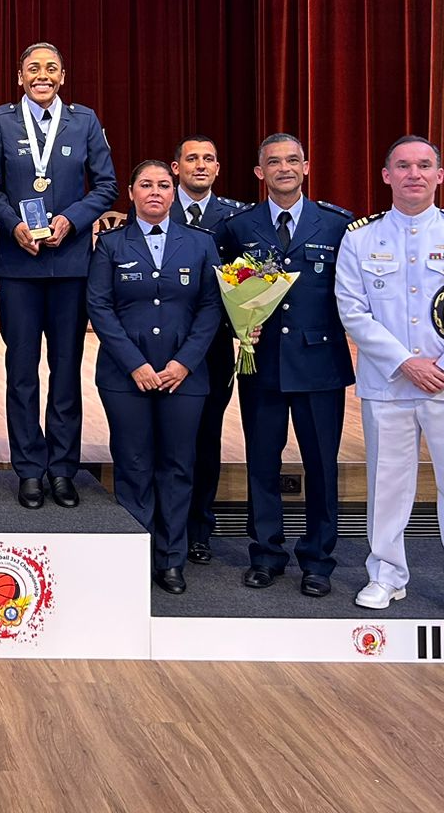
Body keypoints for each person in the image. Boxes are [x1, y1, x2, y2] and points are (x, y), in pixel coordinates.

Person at [335, 135, 444, 625]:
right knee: (388, 484)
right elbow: (352, 310)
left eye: (424, 165)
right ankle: (386, 575)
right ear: (386, 175)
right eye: (403, 165)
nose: (414, 173)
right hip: (389, 383)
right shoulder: (361, 237)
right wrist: (405, 362)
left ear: (439, 175)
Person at [216, 133, 355, 596]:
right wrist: (239, 329)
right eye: (273, 162)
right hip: (264, 362)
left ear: (307, 166)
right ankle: (266, 553)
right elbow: (224, 290)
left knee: (321, 465)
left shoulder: (338, 225)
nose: (284, 168)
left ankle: (318, 559)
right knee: (261, 463)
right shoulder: (239, 227)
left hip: (320, 364)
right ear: (260, 173)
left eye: (292, 160)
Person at [0, 43, 117, 509]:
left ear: (63, 75)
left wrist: (73, 220)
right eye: (33, 68)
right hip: (20, 264)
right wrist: (12, 224)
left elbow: (106, 186)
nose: (43, 75)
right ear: (20, 77)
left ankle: (63, 468)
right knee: (21, 372)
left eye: (51, 68)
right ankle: (29, 469)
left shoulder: (85, 121)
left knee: (64, 372)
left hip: (71, 265)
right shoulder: (0, 122)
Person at [87, 160, 224, 594]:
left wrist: (183, 362)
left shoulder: (201, 244)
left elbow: (211, 308)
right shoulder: (110, 245)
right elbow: (100, 307)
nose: (155, 192)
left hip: (185, 377)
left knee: (178, 467)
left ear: (174, 191)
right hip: (125, 377)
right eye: (145, 185)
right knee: (133, 465)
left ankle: (170, 559)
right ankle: (134, 557)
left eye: (163, 185)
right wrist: (136, 365)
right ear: (130, 192)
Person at [169, 135, 248, 565]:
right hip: (160, 346)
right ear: (175, 166)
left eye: (209, 159)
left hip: (212, 349)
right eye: (192, 158)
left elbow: (249, 280)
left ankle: (199, 528)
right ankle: (163, 525)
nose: (200, 165)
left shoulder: (235, 218)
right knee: (163, 441)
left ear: (218, 168)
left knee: (205, 439)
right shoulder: (157, 205)